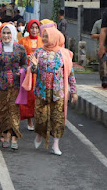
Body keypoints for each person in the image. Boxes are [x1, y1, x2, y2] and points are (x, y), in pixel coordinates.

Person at [29, 27, 78, 155]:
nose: (44, 39)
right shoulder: (39, 52)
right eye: (43, 36)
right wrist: (34, 65)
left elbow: (70, 74)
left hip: (58, 92)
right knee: (40, 116)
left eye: (47, 36)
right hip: (42, 90)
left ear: (55, 37)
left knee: (57, 118)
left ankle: (55, 144)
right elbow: (32, 71)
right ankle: (40, 133)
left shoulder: (64, 53)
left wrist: (74, 92)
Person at [0, 24, 27, 150]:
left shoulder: (20, 48)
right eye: (4, 33)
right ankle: (5, 135)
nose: (6, 36)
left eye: (9, 33)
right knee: (3, 111)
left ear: (13, 34)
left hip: (15, 83)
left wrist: (22, 71)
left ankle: (14, 136)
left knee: (14, 110)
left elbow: (25, 64)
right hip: (0, 83)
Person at [18, 20, 43, 131]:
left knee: (38, 96)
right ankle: (29, 119)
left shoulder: (43, 41)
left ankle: (38, 118)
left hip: (39, 74)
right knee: (28, 96)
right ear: (28, 28)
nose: (34, 30)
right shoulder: (22, 41)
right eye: (32, 28)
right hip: (27, 73)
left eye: (36, 28)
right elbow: (18, 55)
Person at [91, 18, 107, 88]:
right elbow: (93, 35)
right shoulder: (98, 23)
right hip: (101, 47)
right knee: (103, 65)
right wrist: (102, 35)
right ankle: (104, 79)